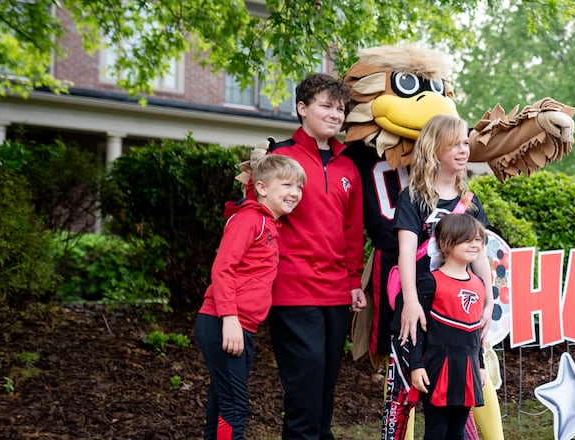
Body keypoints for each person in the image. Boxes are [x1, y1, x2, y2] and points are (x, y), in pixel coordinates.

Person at [265, 72, 367, 440]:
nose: (335, 114)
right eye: (326, 106)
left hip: (336, 293)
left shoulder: (348, 167)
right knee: (304, 389)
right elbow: (259, 221)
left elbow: (352, 232)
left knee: (324, 389)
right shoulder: (280, 158)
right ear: (302, 108)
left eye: (340, 109)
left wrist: (355, 282)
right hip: (292, 290)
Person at [385, 114, 494, 438]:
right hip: (420, 310)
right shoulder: (413, 197)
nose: (463, 150)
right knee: (407, 393)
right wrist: (411, 303)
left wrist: (488, 303)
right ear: (435, 149)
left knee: (466, 388)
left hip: (459, 313)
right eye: (455, 144)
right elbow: (405, 253)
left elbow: (481, 256)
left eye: (465, 143)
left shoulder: (470, 203)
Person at [195, 154, 307, 440]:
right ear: (261, 187)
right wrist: (229, 318)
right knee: (235, 404)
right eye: (286, 185)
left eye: (299, 188)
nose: (294, 193)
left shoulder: (269, 224)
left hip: (243, 325)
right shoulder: (249, 219)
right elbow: (222, 268)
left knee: (222, 402)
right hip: (224, 322)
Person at [410, 214, 488, 440]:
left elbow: (476, 331)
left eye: (478, 239)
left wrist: (480, 365)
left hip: (468, 368)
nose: (475, 244)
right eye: (467, 239)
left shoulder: (479, 284)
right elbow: (417, 328)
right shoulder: (430, 281)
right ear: (445, 244)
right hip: (437, 367)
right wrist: (416, 365)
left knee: (457, 432)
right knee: (436, 431)